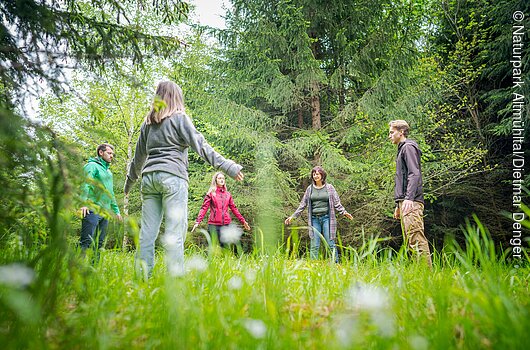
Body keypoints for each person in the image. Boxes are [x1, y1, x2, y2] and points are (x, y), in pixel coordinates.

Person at [124, 81, 244, 277]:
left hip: (149, 179)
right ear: (176, 97)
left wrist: (129, 182)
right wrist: (228, 166)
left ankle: (142, 277)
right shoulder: (180, 118)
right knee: (175, 231)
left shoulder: (148, 123)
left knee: (147, 233)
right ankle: (175, 278)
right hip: (173, 177)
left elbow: (138, 158)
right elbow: (202, 147)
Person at [285, 166, 353, 262]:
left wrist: (344, 212)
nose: (315, 176)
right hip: (314, 220)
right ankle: (313, 265)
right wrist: (293, 216)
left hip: (327, 219)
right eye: (314, 174)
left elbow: (337, 203)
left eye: (317, 174)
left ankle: (336, 264)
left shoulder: (329, 188)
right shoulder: (310, 189)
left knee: (330, 243)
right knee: (314, 244)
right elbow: (302, 204)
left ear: (322, 175)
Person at [388, 120, 432, 267]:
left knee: (417, 239)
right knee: (410, 242)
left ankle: (427, 277)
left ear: (401, 132)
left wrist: (409, 198)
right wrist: (398, 204)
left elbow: (414, 174)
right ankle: (420, 276)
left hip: (412, 201)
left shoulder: (408, 148)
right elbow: (403, 178)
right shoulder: (401, 149)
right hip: (405, 201)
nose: (389, 136)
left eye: (391, 132)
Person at [79, 143, 122, 261]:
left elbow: (110, 192)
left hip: (105, 212)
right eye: (109, 153)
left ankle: (93, 271)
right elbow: (85, 184)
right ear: (101, 152)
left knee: (98, 244)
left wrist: (117, 211)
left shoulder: (108, 172)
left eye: (112, 154)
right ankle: (77, 272)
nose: (111, 156)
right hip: (92, 208)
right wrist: (83, 203)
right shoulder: (91, 166)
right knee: (86, 242)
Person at [191, 172, 251, 249]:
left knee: (226, 249)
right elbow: (204, 208)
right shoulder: (211, 194)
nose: (222, 180)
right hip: (213, 225)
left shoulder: (228, 194)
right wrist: (197, 222)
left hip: (226, 225)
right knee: (213, 249)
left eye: (223, 178)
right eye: (219, 178)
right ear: (215, 180)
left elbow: (234, 208)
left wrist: (243, 221)